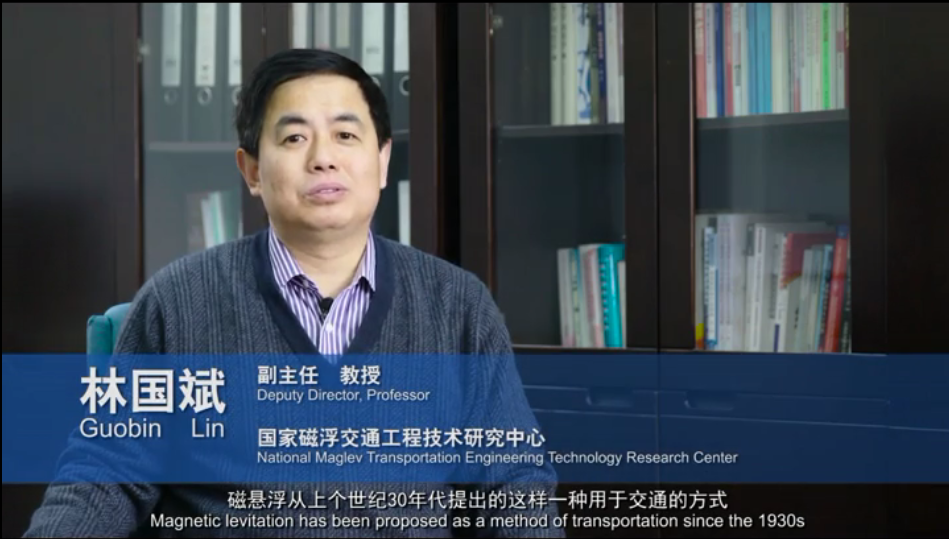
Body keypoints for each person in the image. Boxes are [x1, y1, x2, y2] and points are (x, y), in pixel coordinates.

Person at [23, 49, 562, 537]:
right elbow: (106, 474)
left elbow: (513, 483)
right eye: (294, 138)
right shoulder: (178, 301)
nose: (323, 158)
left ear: (382, 161)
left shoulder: (457, 306)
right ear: (252, 170)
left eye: (346, 135)